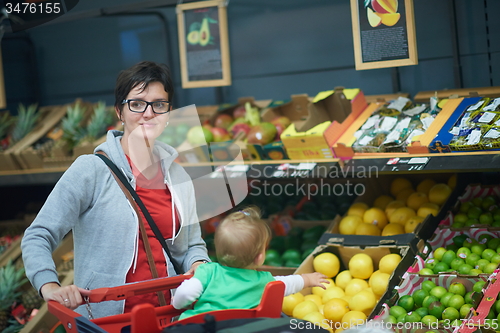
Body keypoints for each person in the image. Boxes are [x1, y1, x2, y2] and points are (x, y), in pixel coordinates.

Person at [21, 61, 210, 319]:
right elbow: (38, 234)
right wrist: (49, 285)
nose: (148, 113)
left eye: (159, 104)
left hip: (171, 317)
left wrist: (199, 265)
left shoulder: (179, 176)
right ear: (119, 112)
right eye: (136, 103)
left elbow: (191, 246)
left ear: (168, 113)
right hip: (108, 320)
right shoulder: (91, 170)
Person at [172, 206, 329, 320]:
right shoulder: (263, 281)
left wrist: (177, 304)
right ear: (260, 257)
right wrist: (309, 279)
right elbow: (288, 283)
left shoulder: (208, 271)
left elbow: (185, 294)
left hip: (201, 326)